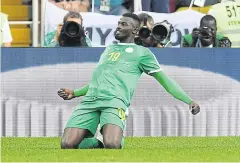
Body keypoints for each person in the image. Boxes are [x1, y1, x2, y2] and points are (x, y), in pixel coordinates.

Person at [58, 13, 200, 149]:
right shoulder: (109, 49)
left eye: (123, 24)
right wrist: (74, 93)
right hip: (90, 101)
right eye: (119, 23)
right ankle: (100, 139)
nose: (119, 26)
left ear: (135, 30)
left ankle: (104, 139)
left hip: (114, 102)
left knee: (112, 144)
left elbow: (166, 81)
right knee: (67, 144)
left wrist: (189, 101)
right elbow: (99, 82)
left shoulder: (142, 53)